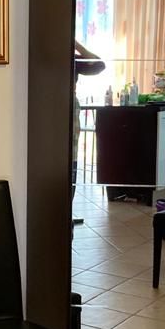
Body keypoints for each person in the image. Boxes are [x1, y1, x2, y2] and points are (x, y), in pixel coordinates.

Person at [73, 40, 105, 209]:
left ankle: (67, 209)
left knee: (70, 155)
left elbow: (98, 65)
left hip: (69, 104)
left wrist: (76, 45)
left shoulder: (72, 58)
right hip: (46, 103)